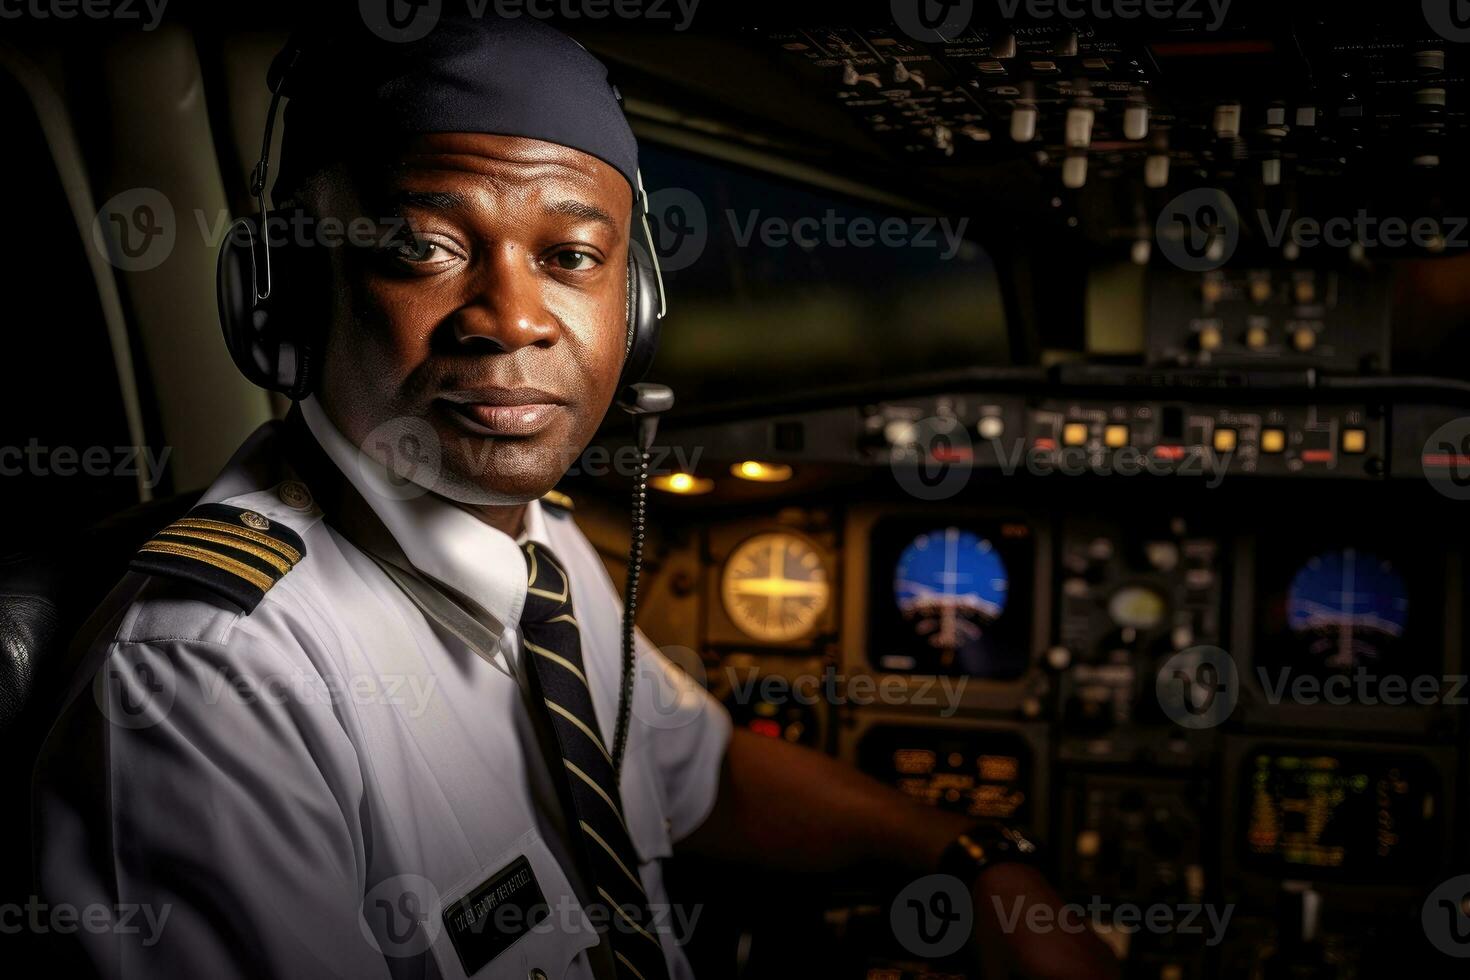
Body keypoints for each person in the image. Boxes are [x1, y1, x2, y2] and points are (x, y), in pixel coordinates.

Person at [33, 13, 1117, 980]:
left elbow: (707, 775)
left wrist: (974, 856)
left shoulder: (538, 554)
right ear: (287, 292)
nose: (512, 317)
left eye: (570, 255)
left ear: (633, 307)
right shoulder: (217, 679)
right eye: (424, 246)